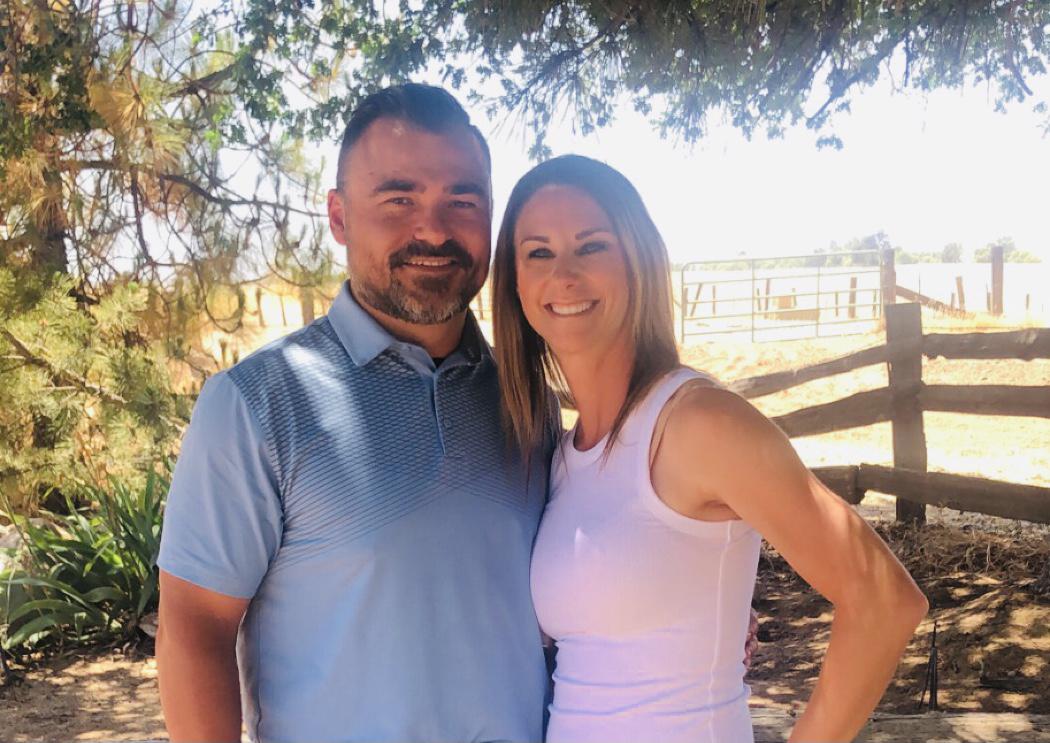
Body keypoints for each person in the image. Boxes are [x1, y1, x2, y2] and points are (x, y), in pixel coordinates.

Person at [155, 83, 557, 743]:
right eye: (399, 199)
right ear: (339, 218)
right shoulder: (258, 404)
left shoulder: (525, 399)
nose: (434, 229)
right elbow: (194, 626)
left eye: (463, 200)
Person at [491, 154, 929, 743]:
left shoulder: (699, 423)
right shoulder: (565, 455)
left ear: (639, 262)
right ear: (515, 283)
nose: (563, 274)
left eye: (591, 246)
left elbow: (884, 599)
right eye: (538, 252)